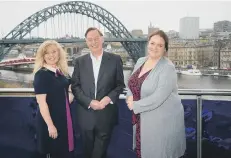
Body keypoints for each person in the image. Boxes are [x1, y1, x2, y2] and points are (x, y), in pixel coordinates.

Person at [126, 30, 186, 158]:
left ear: (165, 49)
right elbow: (131, 82)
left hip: (160, 123)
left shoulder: (167, 68)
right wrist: (130, 96)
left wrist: (135, 105)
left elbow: (159, 97)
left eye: (160, 45)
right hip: (141, 119)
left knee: (157, 153)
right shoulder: (141, 61)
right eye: (152, 43)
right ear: (148, 44)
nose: (155, 47)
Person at [71, 27, 125, 158]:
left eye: (96, 39)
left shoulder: (115, 59)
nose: (93, 42)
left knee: (99, 153)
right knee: (87, 152)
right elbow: (75, 87)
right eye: (90, 40)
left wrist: (108, 98)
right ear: (86, 41)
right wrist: (89, 102)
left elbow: (119, 85)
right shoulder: (79, 62)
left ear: (102, 39)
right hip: (86, 115)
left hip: (106, 115)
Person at [33, 40, 74, 158]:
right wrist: (50, 125)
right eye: (47, 53)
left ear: (59, 53)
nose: (51, 55)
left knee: (62, 152)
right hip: (50, 121)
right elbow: (42, 103)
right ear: (43, 56)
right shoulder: (41, 74)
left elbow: (71, 84)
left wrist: (70, 93)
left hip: (62, 119)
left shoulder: (61, 72)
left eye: (54, 51)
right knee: (53, 152)